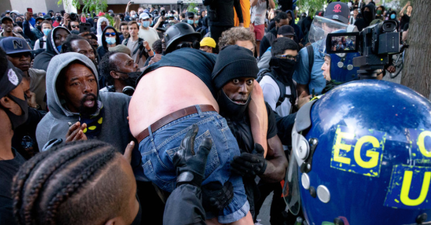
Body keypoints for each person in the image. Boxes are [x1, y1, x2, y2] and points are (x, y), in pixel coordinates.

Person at [129, 22, 268, 224]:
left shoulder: (152, 69)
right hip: (193, 125)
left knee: (196, 211)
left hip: (149, 148)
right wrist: (260, 151)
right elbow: (255, 88)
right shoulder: (216, 60)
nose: (242, 88)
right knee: (237, 217)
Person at [212, 45, 287, 219]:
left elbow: (281, 164)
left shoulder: (262, 111)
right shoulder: (205, 112)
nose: (244, 90)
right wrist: (204, 192)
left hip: (247, 207)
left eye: (249, 82)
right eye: (236, 81)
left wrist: (261, 166)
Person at [35, 52, 136, 158]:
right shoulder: (47, 130)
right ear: (60, 90)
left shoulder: (121, 104)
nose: (87, 88)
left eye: (91, 80)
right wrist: (69, 157)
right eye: (75, 83)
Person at [294, 2, 350, 96]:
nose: (334, 31)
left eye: (339, 26)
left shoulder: (355, 53)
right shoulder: (308, 54)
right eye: (330, 25)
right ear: (323, 25)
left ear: (349, 26)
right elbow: (301, 88)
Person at [0, 48, 28, 225]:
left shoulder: (9, 154)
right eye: (18, 82)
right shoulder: (7, 202)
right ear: (6, 101)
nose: (26, 88)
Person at [0, 37, 47, 111]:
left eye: (26, 54)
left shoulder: (41, 76)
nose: (24, 58)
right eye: (16, 55)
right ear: (4, 58)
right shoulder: (3, 83)